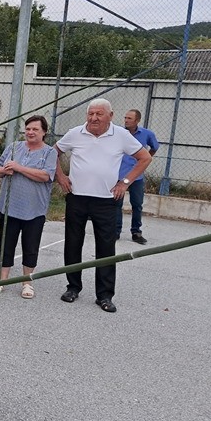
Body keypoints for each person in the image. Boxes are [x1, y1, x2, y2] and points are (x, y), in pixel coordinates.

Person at [55, 98, 152, 313]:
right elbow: (53, 152)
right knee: (73, 244)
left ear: (110, 115)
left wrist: (125, 183)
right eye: (90, 114)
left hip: (106, 201)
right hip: (77, 197)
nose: (94, 118)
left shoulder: (121, 135)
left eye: (99, 114)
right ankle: (73, 287)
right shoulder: (75, 133)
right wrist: (61, 177)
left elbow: (144, 158)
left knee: (106, 248)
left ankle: (105, 295)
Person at [0, 115, 57, 299]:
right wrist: (3, 170)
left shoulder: (49, 152)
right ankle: (2, 280)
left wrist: (19, 168)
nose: (30, 132)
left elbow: (45, 176)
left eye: (35, 129)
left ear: (44, 132)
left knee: (30, 246)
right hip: (9, 206)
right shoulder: (14, 147)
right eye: (28, 129)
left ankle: (27, 283)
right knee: (6, 245)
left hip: (34, 209)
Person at [116, 109, 159, 244]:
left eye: (129, 118)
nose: (126, 120)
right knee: (116, 204)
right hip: (119, 174)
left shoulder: (147, 134)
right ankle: (115, 231)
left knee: (137, 205)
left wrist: (145, 160)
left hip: (136, 176)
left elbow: (154, 147)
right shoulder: (119, 133)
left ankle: (136, 232)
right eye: (125, 118)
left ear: (137, 120)